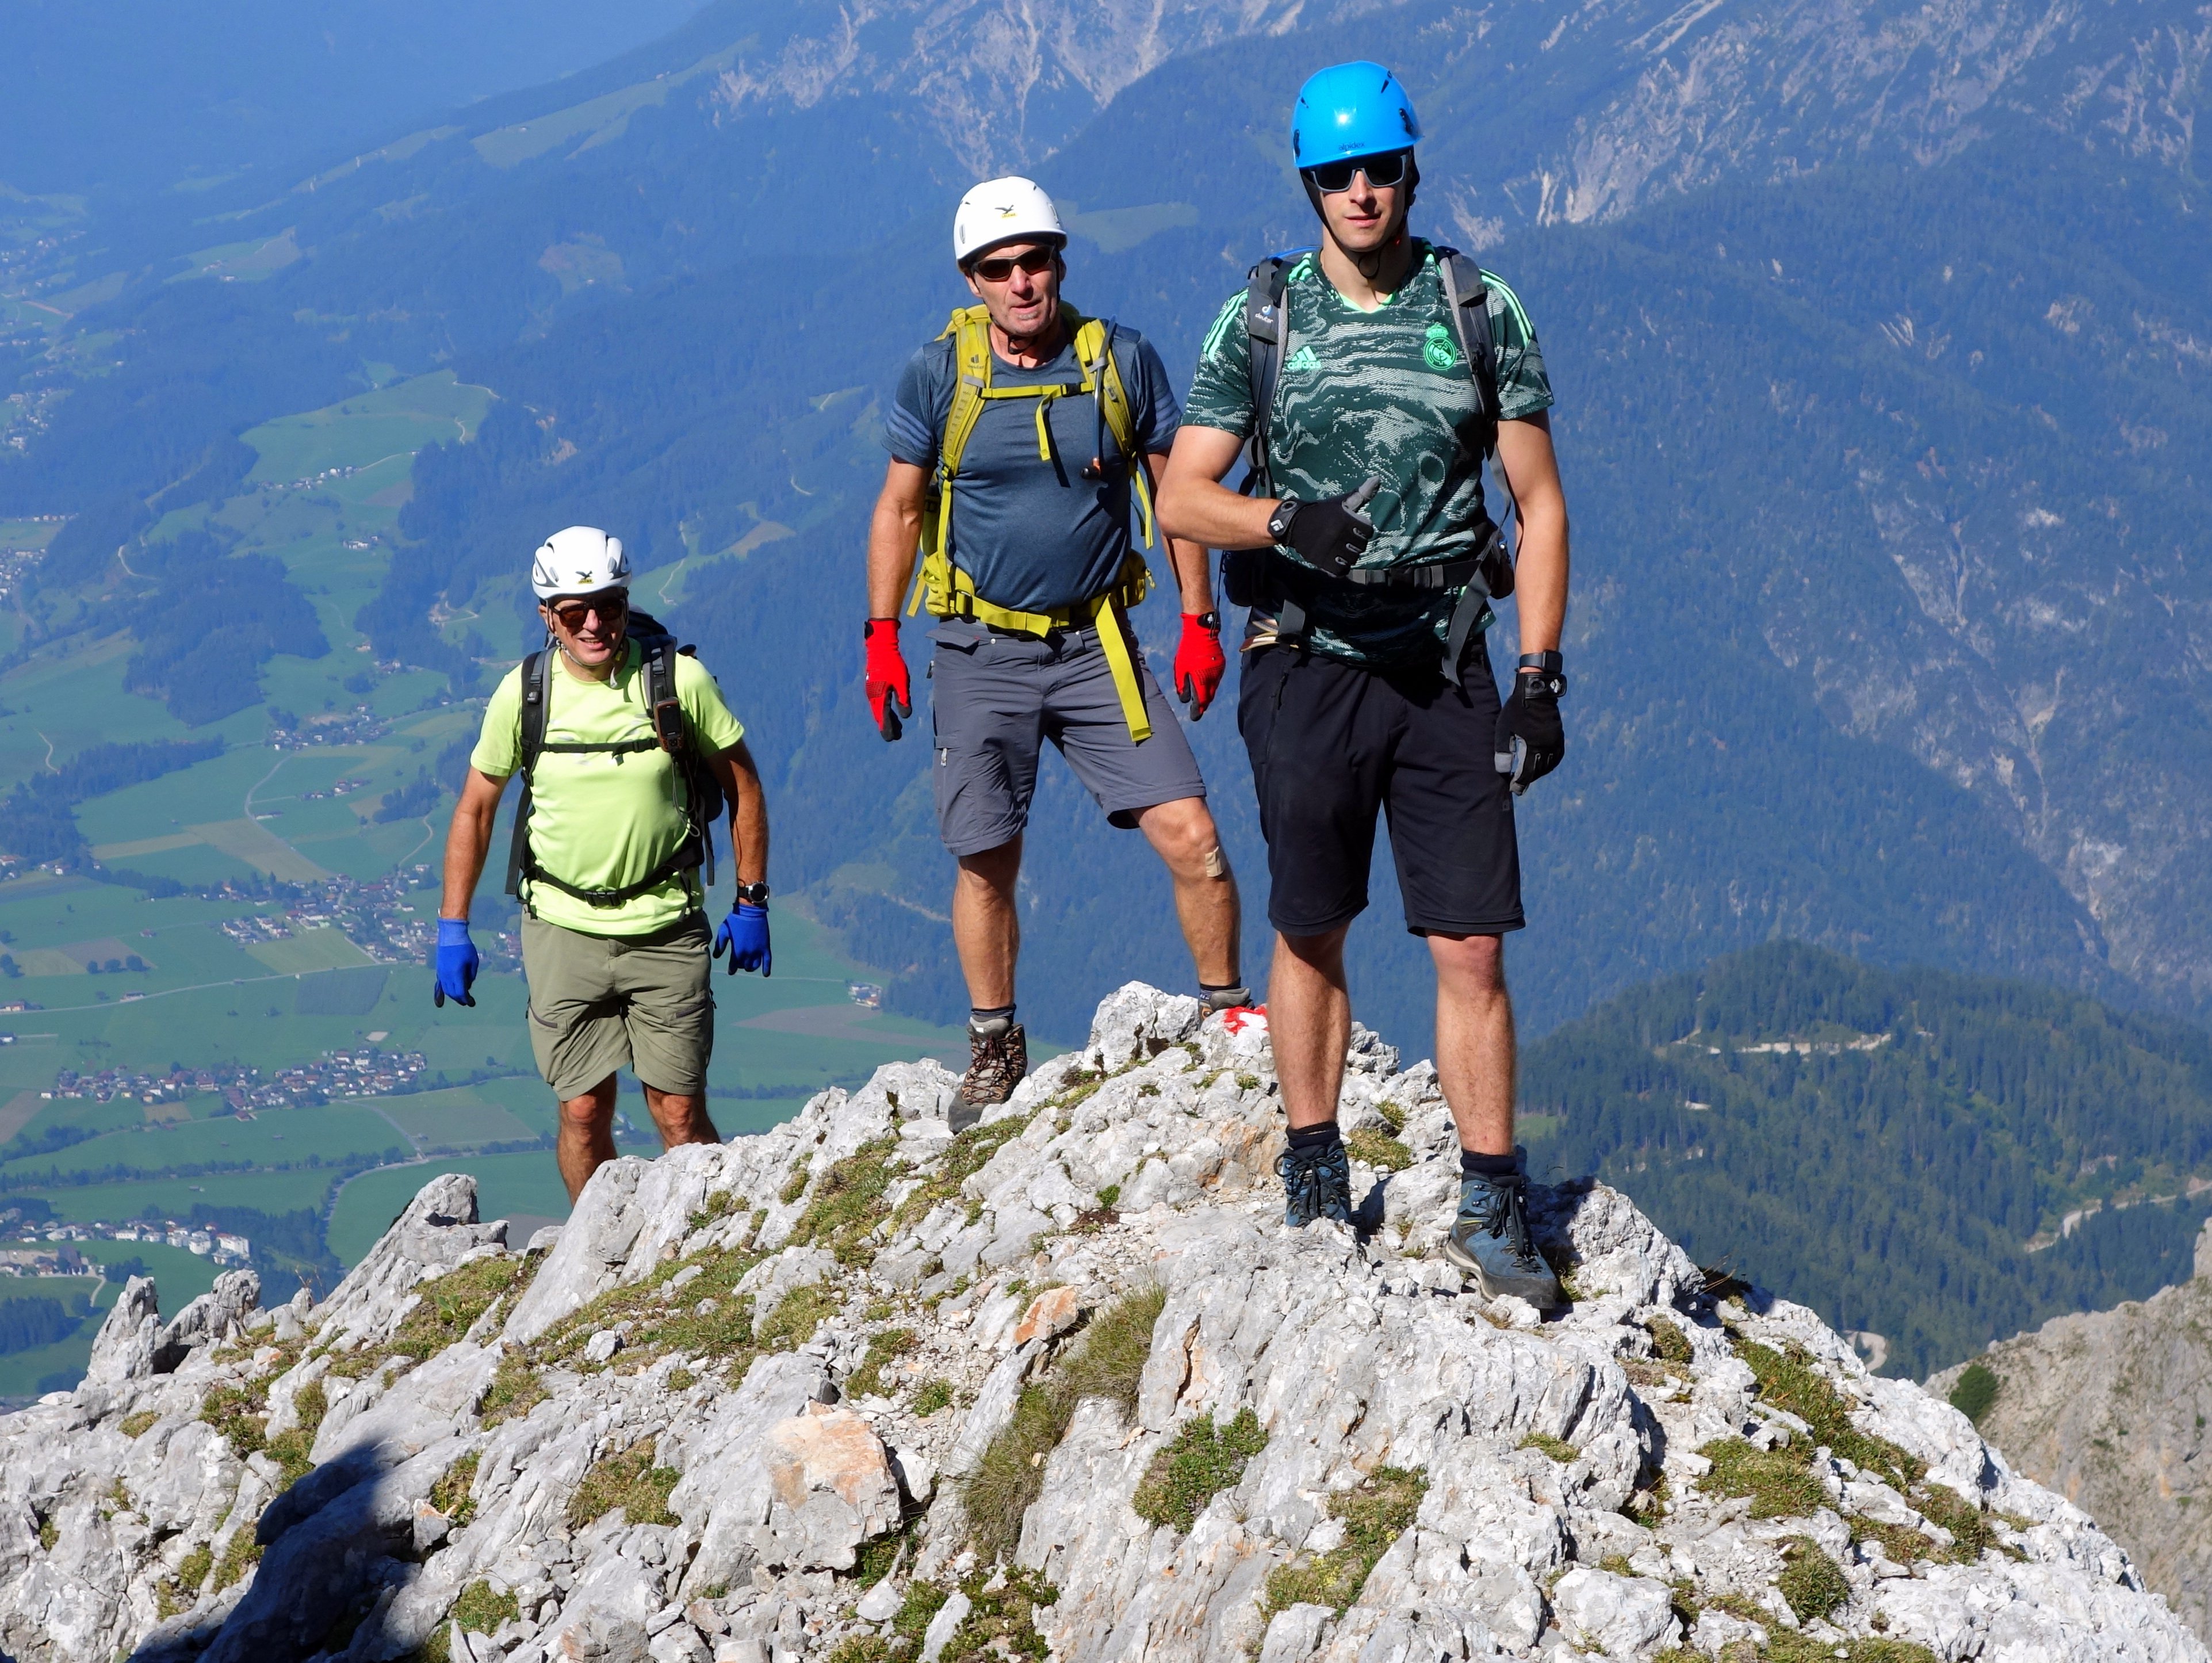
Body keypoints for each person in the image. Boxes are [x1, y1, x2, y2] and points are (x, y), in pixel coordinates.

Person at [1157, 64, 1572, 1306]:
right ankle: (1314, 1167)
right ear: (1309, 185)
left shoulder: (1478, 306)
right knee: (1311, 923)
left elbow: (1539, 502)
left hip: (1444, 663)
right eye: (1335, 174)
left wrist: (1540, 673)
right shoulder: (1263, 318)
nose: (1359, 191)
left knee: (1471, 943)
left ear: (1410, 173)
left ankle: (1490, 1200)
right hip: (1307, 659)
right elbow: (1180, 495)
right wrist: (1283, 519)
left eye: (1377, 168)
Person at [864, 176, 1247, 1115]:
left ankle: (1226, 1019)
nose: (1020, 282)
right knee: (984, 856)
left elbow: (1176, 497)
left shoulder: (1120, 360)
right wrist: (881, 635)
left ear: (1059, 262)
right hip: (978, 646)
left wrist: (1199, 621)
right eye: (998, 268)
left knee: (1194, 836)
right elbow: (901, 507)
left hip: (1097, 644)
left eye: (1034, 260)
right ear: (972, 279)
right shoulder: (938, 375)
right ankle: (994, 1044)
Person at [433, 526, 772, 1202]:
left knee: (678, 1112)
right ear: (547, 616)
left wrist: (751, 899)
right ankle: (596, 1249)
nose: (594, 624)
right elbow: (475, 808)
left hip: (666, 925)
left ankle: (710, 1242)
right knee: (583, 1111)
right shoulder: (524, 694)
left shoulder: (678, 681)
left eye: (609, 606)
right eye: (573, 611)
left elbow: (744, 787)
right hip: (562, 929)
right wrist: (452, 924)